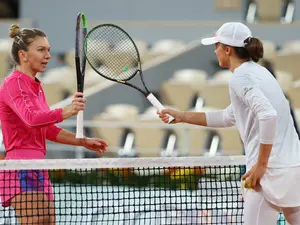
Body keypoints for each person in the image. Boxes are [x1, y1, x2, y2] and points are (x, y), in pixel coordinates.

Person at [158, 22, 300, 225]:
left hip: (268, 175)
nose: (215, 51)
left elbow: (268, 115)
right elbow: (228, 116)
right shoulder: (261, 73)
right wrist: (181, 116)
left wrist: (261, 165)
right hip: (293, 167)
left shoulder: (240, 77)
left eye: (216, 46)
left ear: (227, 49)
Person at [0, 24, 108, 224]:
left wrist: (82, 141)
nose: (48, 55)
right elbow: (32, 119)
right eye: (41, 50)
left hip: (40, 165)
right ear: (23, 55)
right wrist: (69, 109)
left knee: (48, 221)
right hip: (20, 165)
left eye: (48, 50)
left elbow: (47, 129)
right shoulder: (13, 83)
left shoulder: (37, 87)